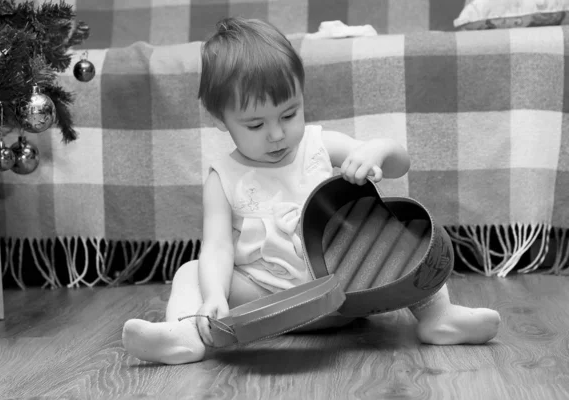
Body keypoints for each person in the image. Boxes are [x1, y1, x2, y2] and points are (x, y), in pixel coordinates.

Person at [122, 17, 501, 365]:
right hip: (268, 300)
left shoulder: (319, 146)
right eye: (255, 124)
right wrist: (216, 297)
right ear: (219, 119)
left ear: (302, 97)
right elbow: (218, 246)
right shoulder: (223, 177)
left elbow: (401, 163)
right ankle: (188, 333)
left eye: (289, 114)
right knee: (191, 272)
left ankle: (440, 318)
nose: (276, 134)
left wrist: (377, 150)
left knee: (407, 241)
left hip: (345, 294)